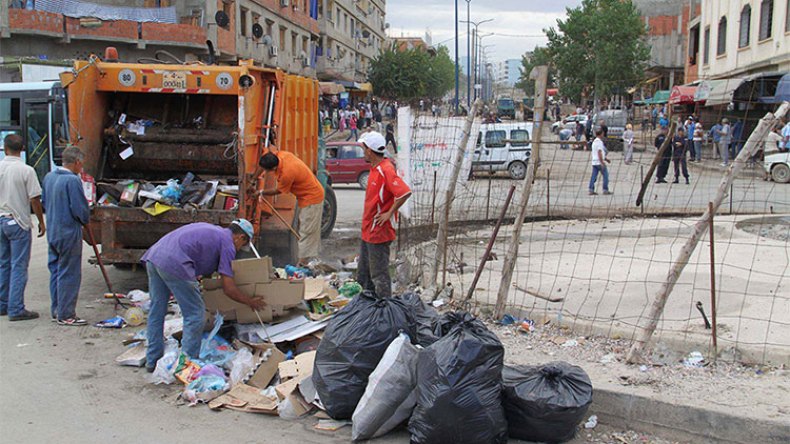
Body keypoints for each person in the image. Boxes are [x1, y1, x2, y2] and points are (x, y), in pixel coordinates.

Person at [142, 220, 264, 371]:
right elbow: (229, 288)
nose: (238, 249)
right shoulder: (228, 244)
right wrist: (250, 301)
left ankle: (152, 361)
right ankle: (186, 368)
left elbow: (200, 255)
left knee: (157, 311)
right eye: (241, 246)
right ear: (240, 237)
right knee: (194, 315)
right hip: (174, 263)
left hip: (154, 257)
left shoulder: (215, 232)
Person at [357, 131, 411, 299]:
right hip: (368, 230)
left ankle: (384, 309)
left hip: (378, 232)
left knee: (379, 275)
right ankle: (368, 306)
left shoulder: (385, 170)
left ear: (369, 151)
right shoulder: (375, 168)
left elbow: (404, 192)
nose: (362, 151)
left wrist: (389, 213)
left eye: (363, 148)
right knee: (364, 274)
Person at [42, 146, 90, 326]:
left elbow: (45, 202)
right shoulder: (72, 181)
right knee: (69, 273)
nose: (82, 167)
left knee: (56, 270)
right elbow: (80, 210)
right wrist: (86, 217)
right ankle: (67, 314)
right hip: (68, 232)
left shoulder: (49, 177)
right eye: (81, 164)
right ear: (77, 163)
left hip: (53, 229)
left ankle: (57, 310)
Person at [0, 133, 45, 321]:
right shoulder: (26, 170)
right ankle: (16, 308)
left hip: (1, 220)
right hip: (18, 222)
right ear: (23, 149)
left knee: (3, 263)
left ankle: (2, 304)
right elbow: (35, 198)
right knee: (19, 266)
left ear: (4, 147)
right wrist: (41, 222)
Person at [257, 151, 325, 265]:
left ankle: (302, 264)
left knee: (307, 230)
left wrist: (261, 192)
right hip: (307, 196)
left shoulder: (287, 173)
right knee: (307, 229)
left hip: (312, 198)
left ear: (273, 168)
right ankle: (309, 258)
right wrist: (253, 179)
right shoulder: (282, 155)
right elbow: (263, 166)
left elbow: (278, 191)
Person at [588, 128, 612, 196]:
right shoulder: (599, 142)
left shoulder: (594, 142)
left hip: (594, 161)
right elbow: (599, 152)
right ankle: (605, 189)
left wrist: (606, 159)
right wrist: (602, 162)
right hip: (599, 162)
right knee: (605, 176)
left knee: (594, 176)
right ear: (601, 134)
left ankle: (591, 189)